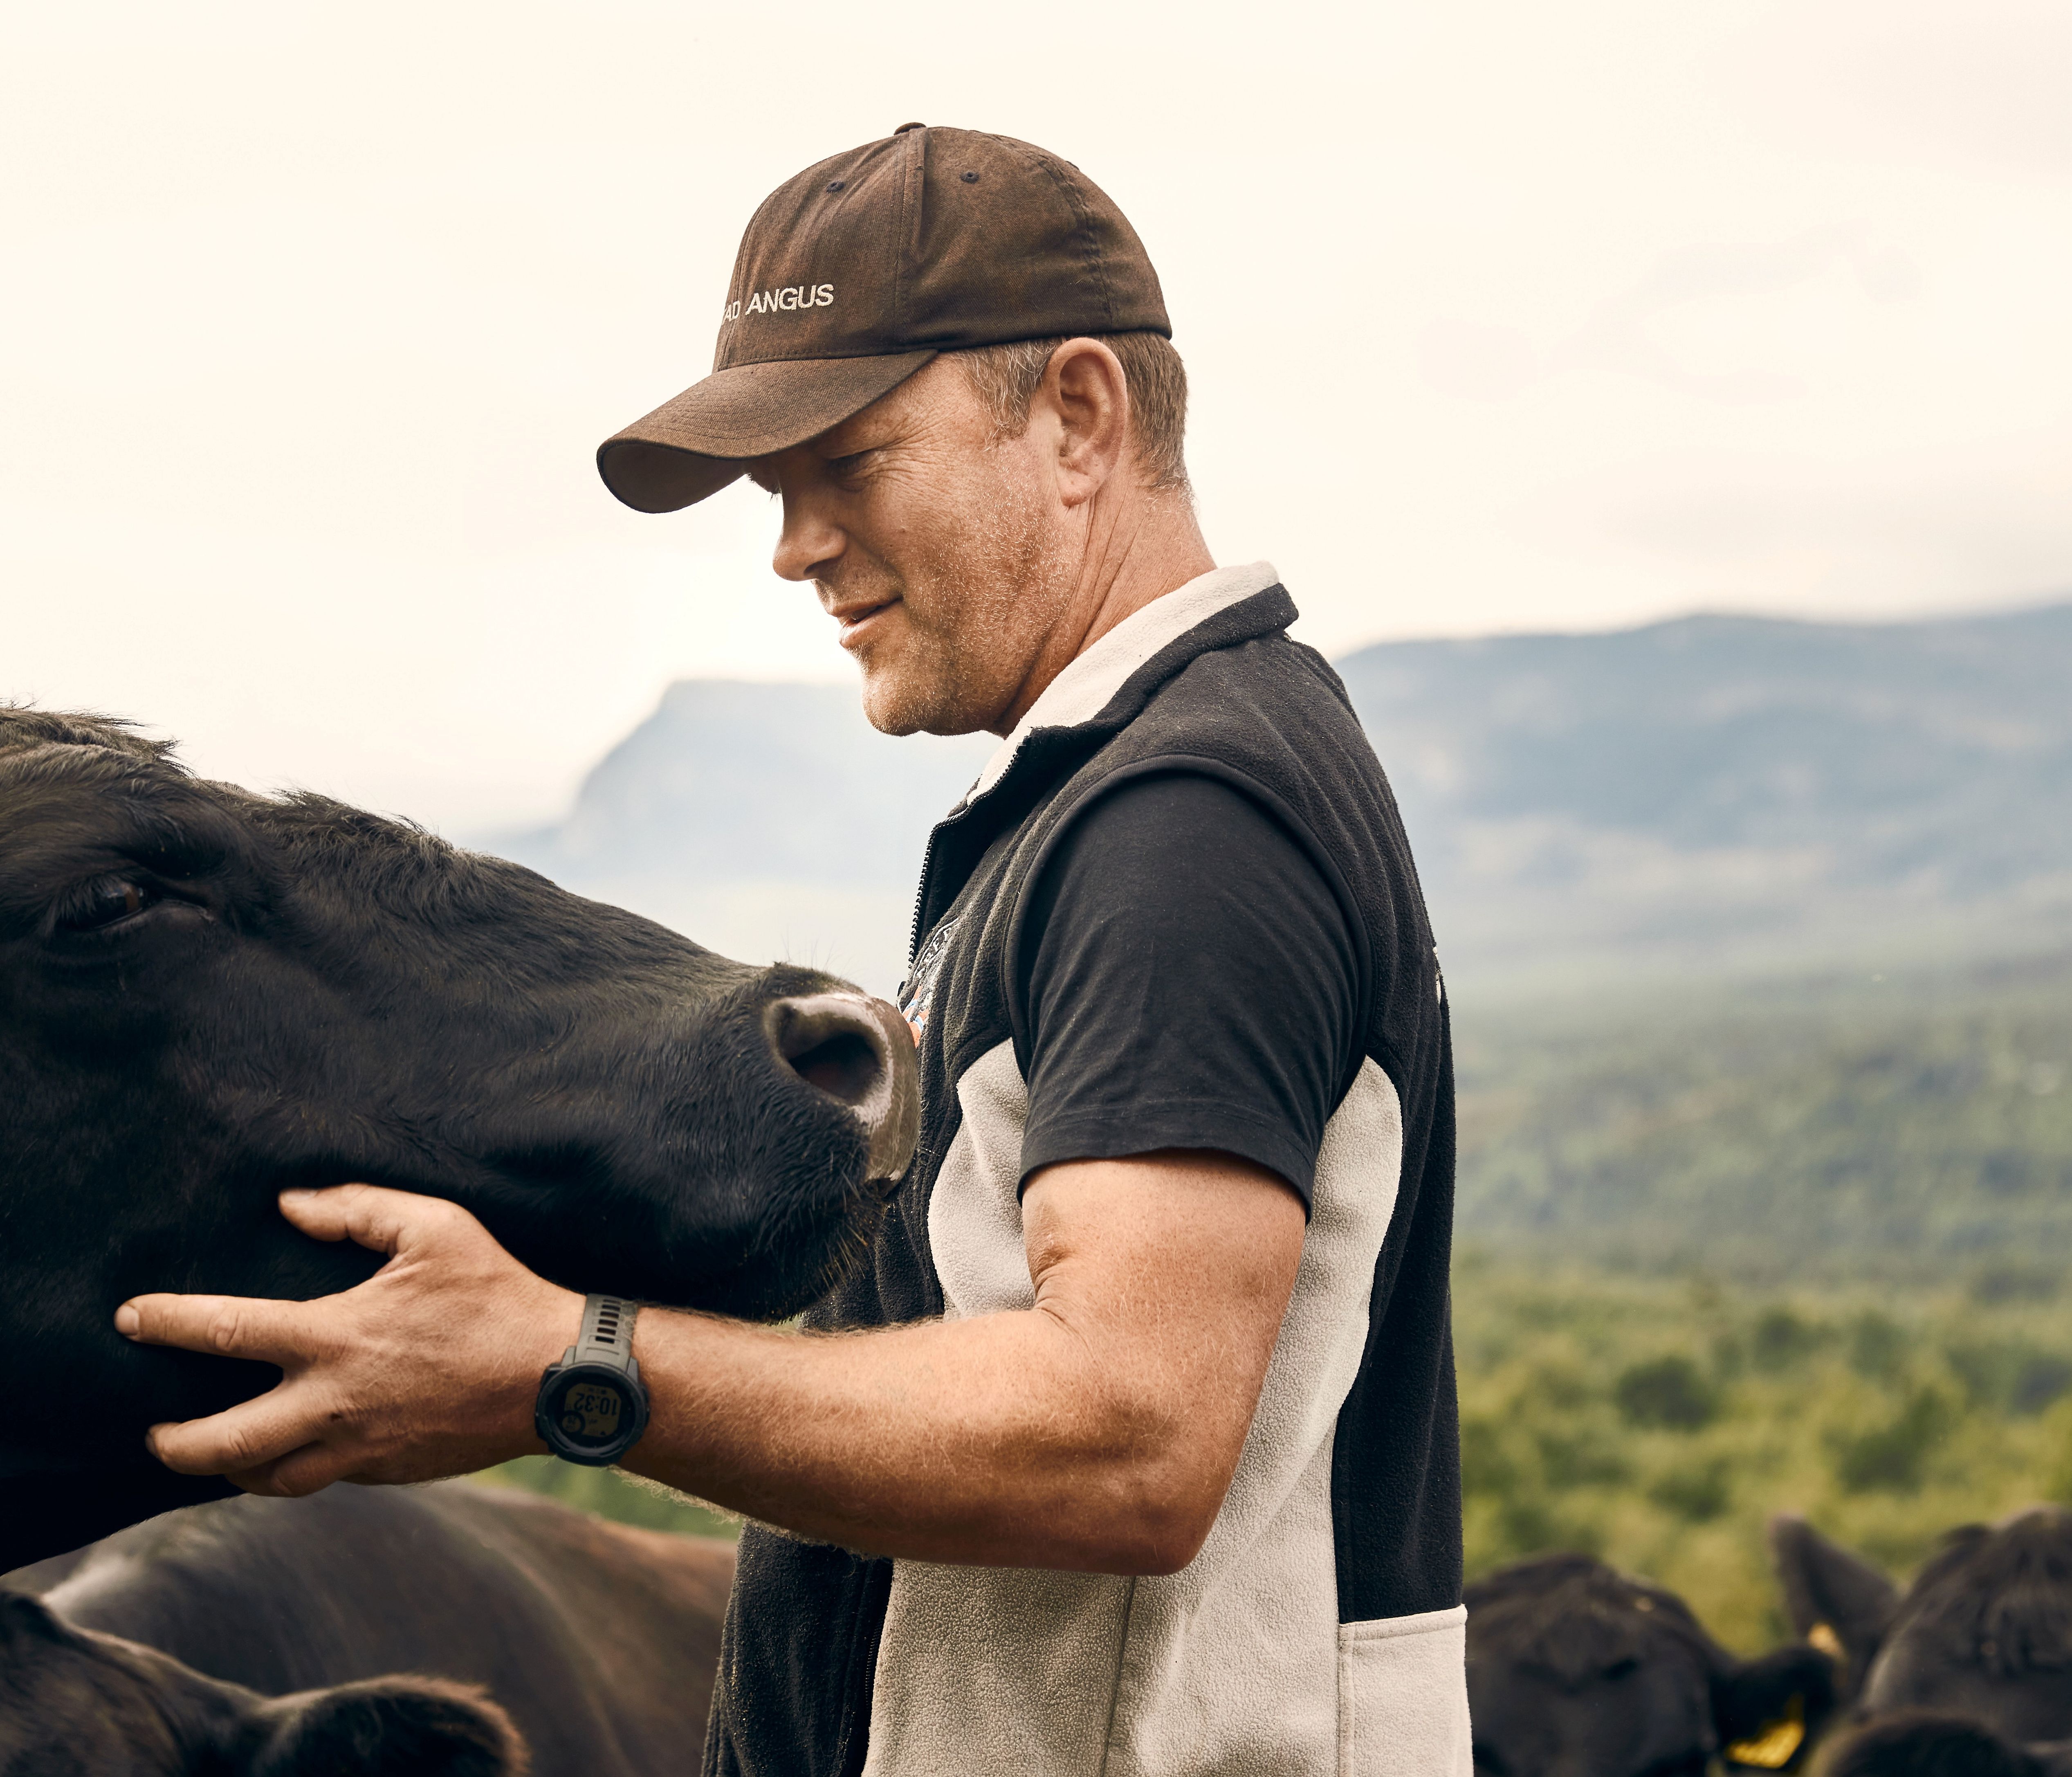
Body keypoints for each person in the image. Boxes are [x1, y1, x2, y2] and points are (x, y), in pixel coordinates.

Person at [114, 123, 1466, 1776]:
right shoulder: (1108, 793)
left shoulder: (1190, 815)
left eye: (848, 459)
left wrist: (565, 1366)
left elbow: (1128, 1433)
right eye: (776, 485)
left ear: (1076, 415)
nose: (792, 542)